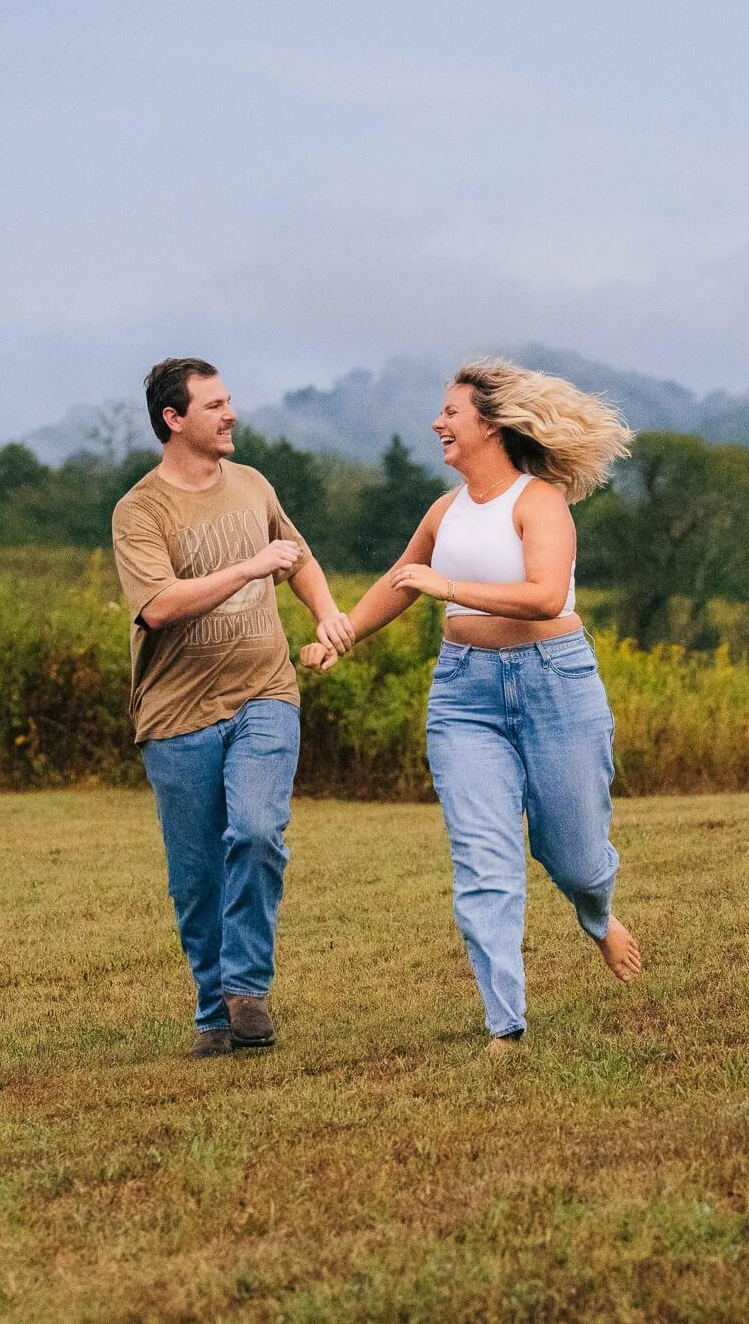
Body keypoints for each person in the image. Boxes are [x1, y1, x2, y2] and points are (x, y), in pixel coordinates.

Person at [302, 358, 641, 1053]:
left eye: (450, 414)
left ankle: (598, 912)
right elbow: (401, 582)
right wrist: (342, 635)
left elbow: (547, 595)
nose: (437, 424)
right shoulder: (444, 511)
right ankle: (505, 1025)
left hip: (555, 684)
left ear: (489, 424)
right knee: (485, 861)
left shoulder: (537, 500)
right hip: (464, 696)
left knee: (572, 854)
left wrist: (446, 582)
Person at [112, 357, 356, 1058]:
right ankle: (215, 1012)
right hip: (176, 713)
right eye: (215, 404)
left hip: (265, 691)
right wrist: (249, 567)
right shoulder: (141, 510)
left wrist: (327, 613)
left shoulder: (252, 484)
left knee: (254, 831)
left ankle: (246, 988)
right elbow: (157, 607)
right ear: (174, 419)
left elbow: (297, 555)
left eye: (230, 400)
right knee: (197, 880)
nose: (231, 413)